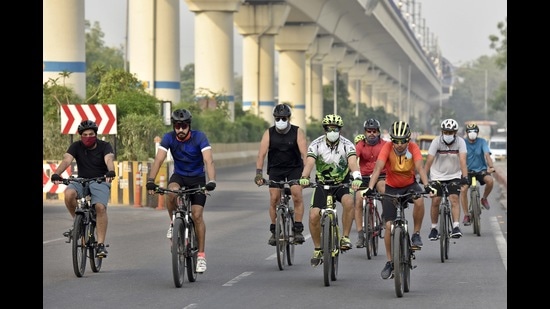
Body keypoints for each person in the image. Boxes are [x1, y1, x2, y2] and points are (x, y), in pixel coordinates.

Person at [146, 109, 217, 273]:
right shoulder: (169, 138)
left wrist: (211, 181)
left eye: (184, 126)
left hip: (197, 178)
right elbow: (159, 159)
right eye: (177, 126)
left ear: (189, 126)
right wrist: (150, 181)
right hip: (179, 176)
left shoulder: (200, 137)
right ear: (174, 126)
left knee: (197, 215)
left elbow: (208, 160)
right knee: (171, 192)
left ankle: (200, 256)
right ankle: (173, 223)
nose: (180, 130)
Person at [363, 121, 435, 279]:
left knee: (419, 200)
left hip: (410, 186)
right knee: (388, 226)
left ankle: (416, 233)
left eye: (403, 141)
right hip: (391, 187)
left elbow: (420, 169)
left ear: (409, 139)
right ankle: (389, 261)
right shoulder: (387, 148)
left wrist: (427, 185)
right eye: (396, 140)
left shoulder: (414, 148)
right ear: (392, 140)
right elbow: (377, 169)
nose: (400, 144)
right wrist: (370, 187)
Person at [298, 114, 363, 267]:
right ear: (325, 129)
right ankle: (318, 248)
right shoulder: (316, 144)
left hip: (341, 183)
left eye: (336, 129)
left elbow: (353, 163)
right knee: (314, 215)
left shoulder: (347, 144)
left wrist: (357, 177)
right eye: (329, 129)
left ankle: (345, 237)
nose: (332, 131)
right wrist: (304, 176)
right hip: (322, 184)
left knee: (348, 202)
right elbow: (309, 163)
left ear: (340, 130)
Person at [50, 120, 116, 258]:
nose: (88, 137)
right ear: (80, 136)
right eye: (84, 134)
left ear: (96, 134)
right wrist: (57, 173)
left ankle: (100, 245)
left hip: (100, 180)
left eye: (91, 134)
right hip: (81, 180)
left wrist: (110, 171)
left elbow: (109, 159)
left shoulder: (105, 146)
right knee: (69, 193)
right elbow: (66, 160)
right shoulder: (76, 146)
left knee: (100, 208)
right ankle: (77, 223)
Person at [254, 104, 308, 246]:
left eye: (283, 118)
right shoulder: (269, 133)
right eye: (278, 118)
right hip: (275, 169)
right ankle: (274, 231)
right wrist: (258, 174)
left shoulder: (297, 132)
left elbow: (305, 154)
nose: (280, 120)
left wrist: (305, 175)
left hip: (294, 168)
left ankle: (297, 229)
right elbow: (261, 154)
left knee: (297, 195)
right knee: (274, 198)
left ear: (288, 118)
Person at [424, 118, 469, 241]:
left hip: (454, 175)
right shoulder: (436, 142)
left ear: (455, 133)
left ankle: (455, 227)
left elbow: (463, 160)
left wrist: (465, 178)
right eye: (446, 132)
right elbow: (429, 161)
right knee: (435, 200)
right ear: (442, 131)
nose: (448, 135)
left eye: (450, 133)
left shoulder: (461, 142)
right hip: (437, 176)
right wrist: (424, 179)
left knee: (454, 198)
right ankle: (434, 228)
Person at [353, 118, 387, 248]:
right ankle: (360, 234)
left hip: (381, 176)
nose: (371, 134)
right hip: (364, 177)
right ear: (365, 132)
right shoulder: (360, 145)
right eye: (369, 131)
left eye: (374, 131)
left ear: (378, 132)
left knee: (383, 189)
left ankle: (384, 216)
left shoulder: (385, 144)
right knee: (358, 199)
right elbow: (353, 159)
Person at [460, 123, 496, 225]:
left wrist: (491, 167)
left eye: (474, 131)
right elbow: (460, 158)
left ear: (477, 132)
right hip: (467, 172)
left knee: (490, 181)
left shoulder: (482, 141)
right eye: (470, 131)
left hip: (481, 171)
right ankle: (466, 215)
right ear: (466, 133)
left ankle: (484, 198)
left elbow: (487, 154)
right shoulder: (462, 143)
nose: (472, 133)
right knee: (463, 190)